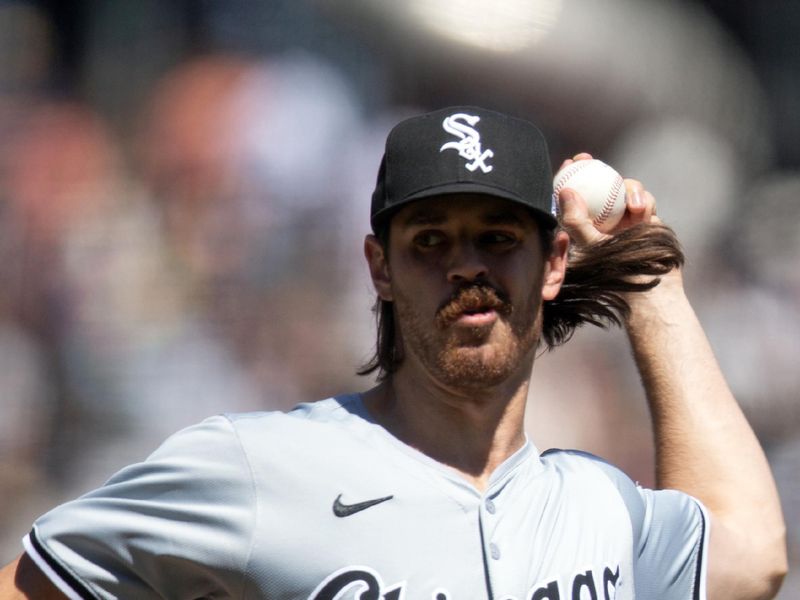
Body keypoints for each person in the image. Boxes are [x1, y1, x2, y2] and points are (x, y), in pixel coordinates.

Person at [0, 106, 787, 599]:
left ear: (552, 266)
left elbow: (750, 557)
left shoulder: (601, 509)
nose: (467, 265)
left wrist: (649, 280)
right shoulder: (255, 468)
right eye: (431, 241)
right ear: (380, 267)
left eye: (498, 238)